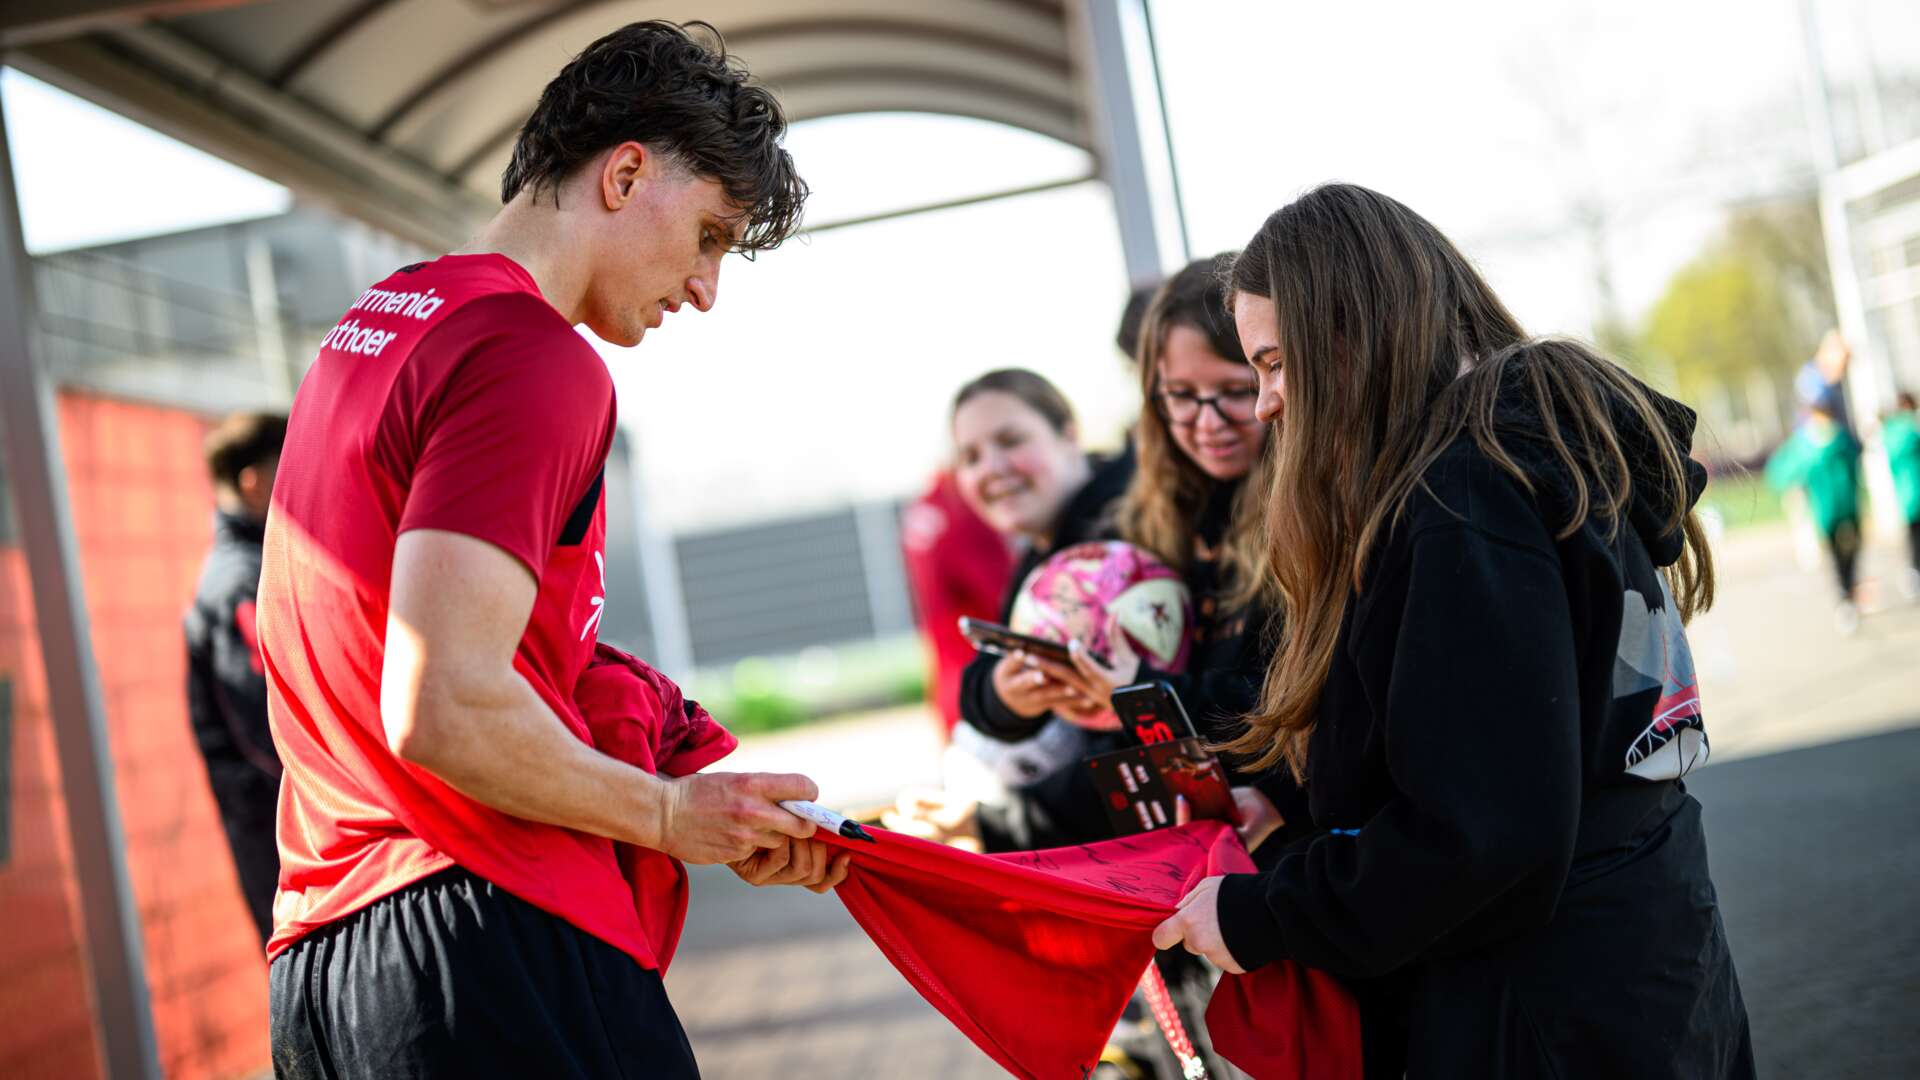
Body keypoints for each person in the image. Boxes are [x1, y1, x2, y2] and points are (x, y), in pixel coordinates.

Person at [258, 22, 845, 1078]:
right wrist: (667, 815)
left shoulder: (386, 319)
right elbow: (443, 702)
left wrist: (669, 751)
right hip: (483, 928)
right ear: (625, 174)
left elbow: (399, 641)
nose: (707, 289)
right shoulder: (535, 356)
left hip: (323, 961)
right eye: (710, 236)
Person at [1153, 184, 1753, 1078]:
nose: (1268, 403)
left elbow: (1482, 842)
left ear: (1352, 336)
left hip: (1544, 1015)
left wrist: (1260, 914)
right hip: (1641, 967)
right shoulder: (1522, 459)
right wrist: (1302, 810)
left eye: (1276, 364)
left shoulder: (1463, 498)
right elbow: (1512, 767)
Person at [948, 368, 1132, 848]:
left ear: (1068, 433)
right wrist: (1007, 697)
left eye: (1010, 440)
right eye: (970, 456)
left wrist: (997, 823)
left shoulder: (1128, 533)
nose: (991, 467)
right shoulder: (1043, 551)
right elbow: (979, 683)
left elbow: (1142, 753)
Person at [183, 411, 287, 944]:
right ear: (255, 482)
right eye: (288, 467)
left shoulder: (249, 568)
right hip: (279, 841)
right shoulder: (239, 582)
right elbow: (269, 725)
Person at [899, 469, 1015, 744]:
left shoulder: (925, 508)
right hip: (984, 680)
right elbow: (1004, 597)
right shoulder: (962, 509)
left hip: (947, 677)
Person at [1766, 398, 1864, 630]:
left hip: (1841, 506)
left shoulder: (1834, 440)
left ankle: (1847, 590)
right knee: (1838, 554)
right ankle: (1845, 592)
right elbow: (1785, 470)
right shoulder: (1807, 443)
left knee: (1849, 551)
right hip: (1829, 507)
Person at [1880, 391, 1920, 593]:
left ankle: (1914, 571)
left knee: (1913, 535)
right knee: (1915, 536)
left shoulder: (1891, 433)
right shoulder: (1910, 431)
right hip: (1913, 491)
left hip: (1906, 493)